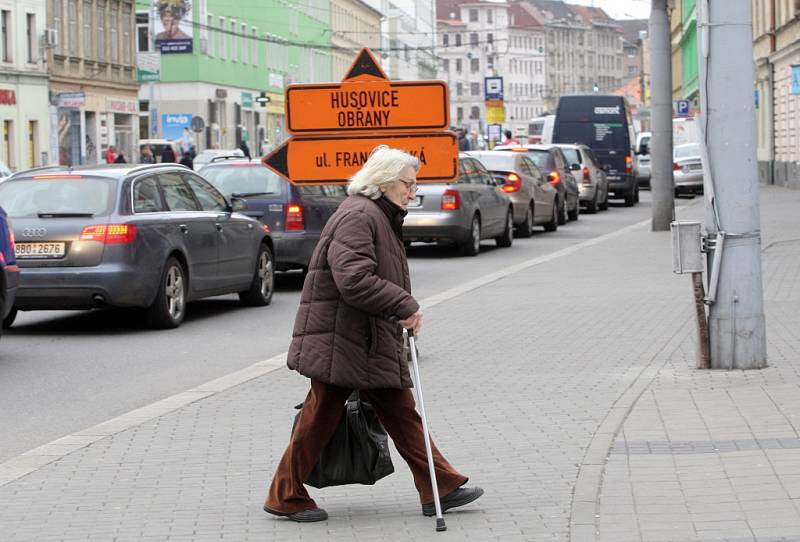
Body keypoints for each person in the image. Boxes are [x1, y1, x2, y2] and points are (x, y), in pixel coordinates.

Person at [263, 146, 483, 523]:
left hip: (362, 337)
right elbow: (354, 280)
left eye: (415, 185)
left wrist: (396, 308)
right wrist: (405, 305)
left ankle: (440, 484)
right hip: (345, 338)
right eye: (408, 184)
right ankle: (285, 493)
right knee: (323, 415)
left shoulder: (376, 214)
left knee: (400, 411)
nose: (413, 192)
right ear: (383, 181)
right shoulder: (360, 215)